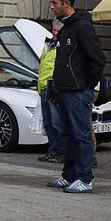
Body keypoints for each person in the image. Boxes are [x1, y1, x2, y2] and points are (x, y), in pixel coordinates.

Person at [45, 0, 105, 194]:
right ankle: (69, 175)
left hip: (78, 92)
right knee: (67, 135)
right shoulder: (66, 27)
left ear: (66, 4)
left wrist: (87, 85)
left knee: (81, 136)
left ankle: (85, 178)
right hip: (64, 90)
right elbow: (61, 61)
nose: (52, 6)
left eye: (55, 3)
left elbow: (97, 60)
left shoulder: (82, 27)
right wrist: (56, 86)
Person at [38, 18, 65, 163]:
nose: (54, 33)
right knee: (48, 123)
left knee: (57, 123)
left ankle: (61, 153)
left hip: (55, 87)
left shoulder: (63, 45)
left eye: (57, 31)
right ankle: (52, 152)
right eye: (53, 30)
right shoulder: (49, 44)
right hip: (44, 87)